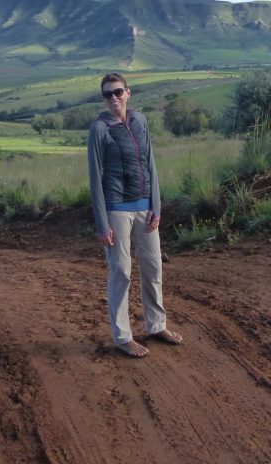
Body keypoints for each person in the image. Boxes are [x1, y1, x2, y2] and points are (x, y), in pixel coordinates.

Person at [87, 72, 184, 358]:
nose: (113, 98)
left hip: (146, 208)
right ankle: (123, 336)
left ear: (128, 93)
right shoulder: (99, 129)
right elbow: (95, 178)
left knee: (153, 268)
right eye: (107, 94)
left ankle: (156, 325)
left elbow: (150, 162)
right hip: (116, 209)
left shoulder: (140, 121)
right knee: (121, 272)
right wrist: (102, 223)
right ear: (104, 99)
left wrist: (157, 204)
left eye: (118, 92)